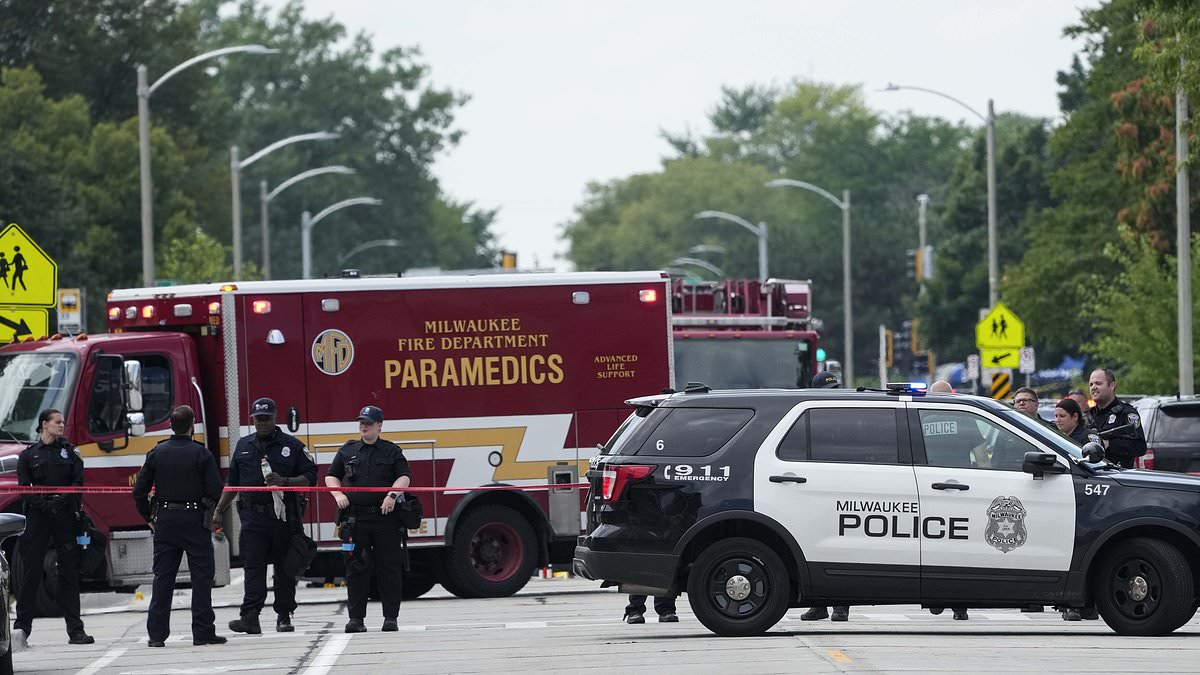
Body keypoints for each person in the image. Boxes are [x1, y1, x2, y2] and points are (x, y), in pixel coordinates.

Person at [214, 398, 316, 635]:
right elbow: (233, 484)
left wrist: (286, 481)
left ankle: (284, 615)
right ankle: (250, 617)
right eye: (258, 419)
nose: (262, 423)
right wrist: (219, 511)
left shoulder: (292, 446)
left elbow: (311, 477)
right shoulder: (244, 446)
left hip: (283, 519)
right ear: (253, 419)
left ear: (275, 418)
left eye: (266, 419)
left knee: (284, 569)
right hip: (252, 519)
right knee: (253, 568)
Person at [132, 405, 226, 648]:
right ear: (192, 424)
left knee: (163, 578)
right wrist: (207, 505)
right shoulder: (201, 454)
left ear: (171, 425)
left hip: (165, 521)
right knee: (201, 578)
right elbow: (216, 489)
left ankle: (156, 635)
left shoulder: (156, 453)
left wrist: (147, 516)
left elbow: (139, 491)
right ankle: (203, 632)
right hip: (194, 520)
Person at [325, 405, 412, 633]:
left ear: (380, 425)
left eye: (369, 423)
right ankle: (356, 620)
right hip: (356, 520)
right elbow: (331, 475)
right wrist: (337, 493)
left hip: (385, 519)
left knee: (389, 569)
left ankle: (390, 618)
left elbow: (404, 476)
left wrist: (392, 495)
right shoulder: (348, 450)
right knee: (356, 570)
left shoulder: (391, 451)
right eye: (361, 422)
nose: (364, 426)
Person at [13, 409, 94, 647]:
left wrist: (59, 502)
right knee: (31, 573)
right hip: (38, 519)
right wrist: (44, 504)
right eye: (57, 422)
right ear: (44, 425)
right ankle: (22, 629)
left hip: (65, 518)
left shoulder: (70, 453)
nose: (62, 426)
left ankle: (76, 630)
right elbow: (24, 488)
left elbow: (77, 483)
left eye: (62, 422)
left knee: (69, 572)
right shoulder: (28, 456)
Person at [798, 371, 851, 623]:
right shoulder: (811, 417)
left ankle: (841, 607)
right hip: (817, 491)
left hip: (841, 489)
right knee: (817, 549)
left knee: (840, 549)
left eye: (835, 389)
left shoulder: (845, 417)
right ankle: (819, 606)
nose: (834, 395)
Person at [922, 381, 971, 621]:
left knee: (934, 543)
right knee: (961, 545)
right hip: (963, 489)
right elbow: (980, 451)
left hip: (931, 488)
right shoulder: (963, 416)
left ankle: (935, 597)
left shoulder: (921, 417)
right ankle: (959, 605)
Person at [1087, 368, 1147, 469]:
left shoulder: (1126, 413)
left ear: (1112, 385)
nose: (1093, 387)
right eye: (1091, 384)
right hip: (1089, 475)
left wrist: (1109, 444)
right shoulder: (1087, 416)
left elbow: (1140, 447)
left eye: (1098, 383)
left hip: (1118, 476)